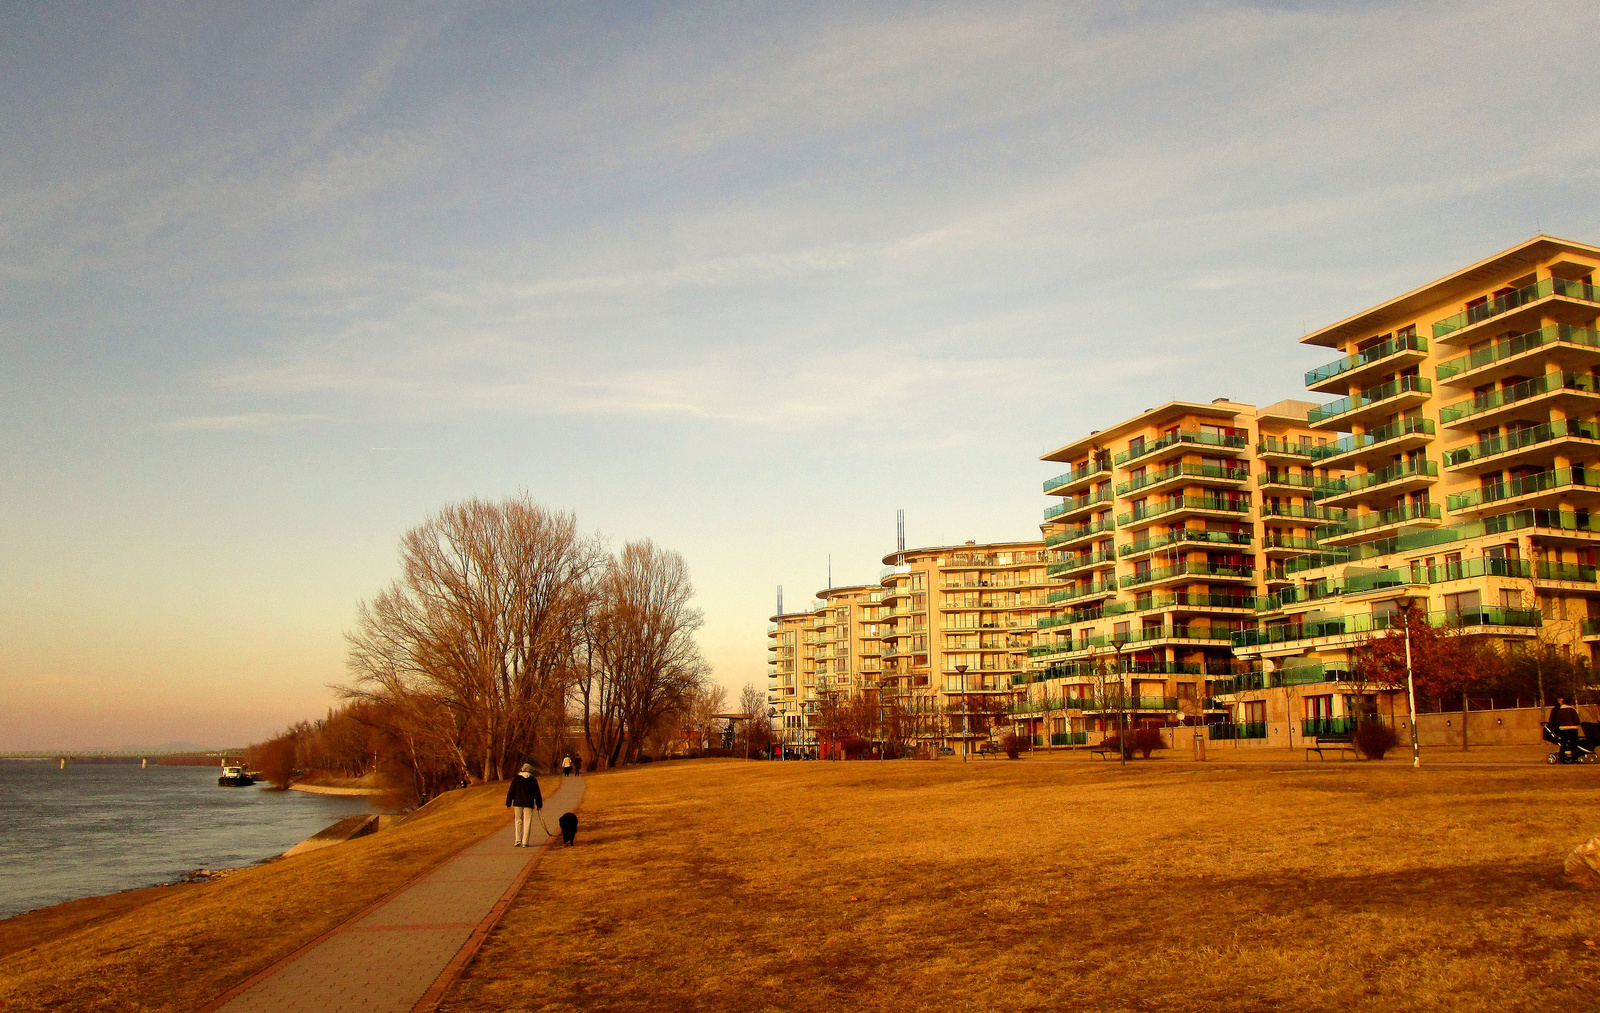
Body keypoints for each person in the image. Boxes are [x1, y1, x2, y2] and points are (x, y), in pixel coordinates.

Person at [504, 763, 543, 847]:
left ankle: (517, 840)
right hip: (529, 803)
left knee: (518, 821)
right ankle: (525, 842)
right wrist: (539, 805)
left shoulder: (516, 779)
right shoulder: (532, 779)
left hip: (518, 802)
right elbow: (537, 793)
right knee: (527, 822)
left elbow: (511, 791)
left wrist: (508, 803)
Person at [1550, 697, 1583, 762]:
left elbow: (1558, 721)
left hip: (1563, 729)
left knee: (1563, 744)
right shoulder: (1572, 710)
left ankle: (1562, 757)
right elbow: (1577, 720)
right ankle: (1574, 758)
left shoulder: (1559, 711)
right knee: (1574, 744)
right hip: (1572, 728)